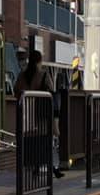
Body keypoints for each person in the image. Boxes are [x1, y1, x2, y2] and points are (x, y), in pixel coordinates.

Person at [14, 50, 64, 178]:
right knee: (45, 141)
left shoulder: (22, 75)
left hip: (26, 113)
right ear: (39, 61)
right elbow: (51, 92)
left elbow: (16, 91)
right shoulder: (43, 75)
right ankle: (52, 167)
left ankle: (35, 167)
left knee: (30, 141)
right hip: (40, 113)